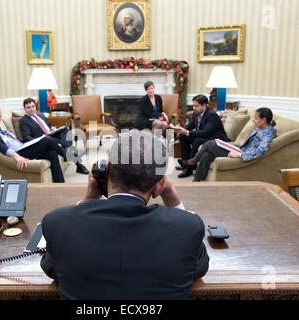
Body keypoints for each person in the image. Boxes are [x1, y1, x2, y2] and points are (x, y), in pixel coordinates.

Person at [40, 130, 209, 299]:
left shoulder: (58, 223)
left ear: (105, 173)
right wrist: (172, 197)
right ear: (160, 185)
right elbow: (199, 268)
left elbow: (51, 268)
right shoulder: (188, 227)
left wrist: (89, 199)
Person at [0, 105, 65, 183]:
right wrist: (15, 156)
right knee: (47, 140)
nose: (1, 118)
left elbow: (4, 139)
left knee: (52, 153)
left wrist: (8, 134)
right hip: (19, 153)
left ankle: (60, 184)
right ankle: (67, 154)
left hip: (22, 146)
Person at [189, 107, 277, 182]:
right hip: (240, 150)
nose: (253, 121)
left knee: (210, 144)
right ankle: (196, 181)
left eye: (256, 118)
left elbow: (260, 150)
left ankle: (194, 160)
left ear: (264, 120)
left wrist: (239, 154)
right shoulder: (261, 128)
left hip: (244, 157)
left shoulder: (267, 134)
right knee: (207, 155)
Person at [19, 97, 89, 174]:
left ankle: (66, 147)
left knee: (65, 130)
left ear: (35, 107)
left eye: (33, 106)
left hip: (51, 135)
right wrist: (40, 140)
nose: (31, 109)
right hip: (43, 141)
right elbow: (26, 137)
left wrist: (53, 128)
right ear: (25, 109)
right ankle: (78, 164)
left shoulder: (40, 115)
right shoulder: (23, 120)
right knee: (65, 147)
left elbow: (49, 125)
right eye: (28, 107)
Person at [174, 94, 229, 178]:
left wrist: (187, 132)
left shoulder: (212, 115)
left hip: (216, 139)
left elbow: (205, 132)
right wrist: (180, 129)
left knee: (197, 140)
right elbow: (190, 126)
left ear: (204, 105)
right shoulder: (196, 113)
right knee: (183, 136)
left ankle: (189, 168)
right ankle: (185, 164)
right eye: (193, 105)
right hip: (205, 137)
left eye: (196, 106)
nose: (194, 108)